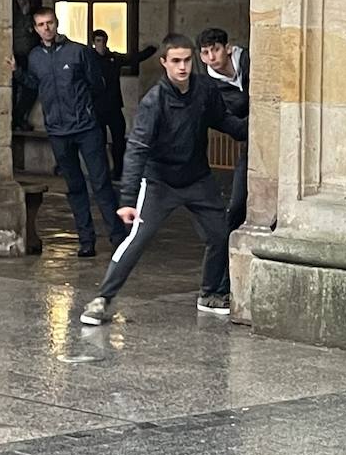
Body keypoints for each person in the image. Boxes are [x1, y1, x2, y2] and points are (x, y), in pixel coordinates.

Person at [79, 33, 249, 326]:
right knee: (137, 240)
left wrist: (256, 130)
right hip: (160, 182)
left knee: (220, 234)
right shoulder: (154, 101)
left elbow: (224, 121)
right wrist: (128, 200)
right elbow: (137, 148)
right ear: (164, 63)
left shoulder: (204, 89)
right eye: (175, 61)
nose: (182, 67)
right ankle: (102, 299)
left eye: (186, 60)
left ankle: (210, 294)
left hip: (197, 178)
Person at [8, 7, 126, 257]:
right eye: (41, 25)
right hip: (58, 131)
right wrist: (17, 72)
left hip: (86, 128)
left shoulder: (78, 52)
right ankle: (86, 241)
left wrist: (86, 111)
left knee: (101, 182)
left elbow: (97, 84)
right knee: (74, 187)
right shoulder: (35, 56)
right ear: (36, 28)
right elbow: (36, 84)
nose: (46, 28)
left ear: (57, 23)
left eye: (49, 23)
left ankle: (119, 238)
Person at [197, 27, 250, 233]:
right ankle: (225, 255)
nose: (211, 57)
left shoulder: (250, 60)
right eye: (205, 52)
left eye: (215, 49)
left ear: (228, 48)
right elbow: (226, 119)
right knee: (237, 203)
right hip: (250, 142)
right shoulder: (210, 86)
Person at [91, 29, 158, 180]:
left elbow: (133, 59)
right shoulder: (89, 59)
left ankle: (118, 171)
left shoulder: (113, 58)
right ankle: (103, 173)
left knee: (119, 142)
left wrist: (151, 49)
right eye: (97, 41)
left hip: (114, 107)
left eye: (103, 41)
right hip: (97, 108)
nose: (101, 44)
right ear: (93, 43)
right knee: (98, 144)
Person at [11, 0, 39, 130]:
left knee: (31, 89)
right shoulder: (14, 17)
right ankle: (15, 119)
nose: (23, 1)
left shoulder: (31, 16)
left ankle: (19, 117)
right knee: (14, 90)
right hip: (17, 56)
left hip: (30, 56)